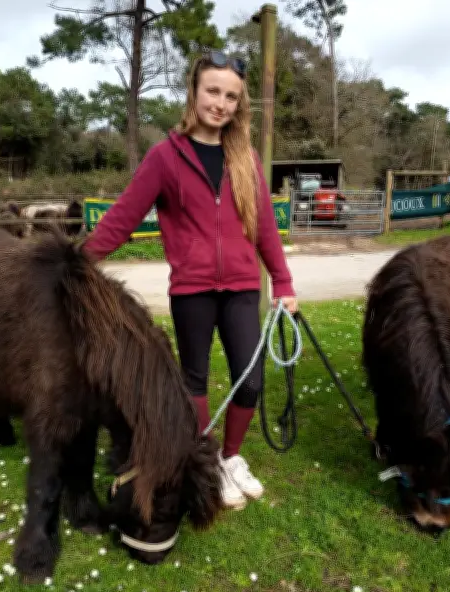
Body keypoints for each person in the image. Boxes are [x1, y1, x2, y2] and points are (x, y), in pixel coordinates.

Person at [80, 49, 298, 511]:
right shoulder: (165, 157)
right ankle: (209, 461)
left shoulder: (246, 159)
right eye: (213, 91)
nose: (220, 103)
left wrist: (282, 282)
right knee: (193, 381)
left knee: (250, 379)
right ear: (195, 92)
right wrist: (78, 262)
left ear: (239, 105)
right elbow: (122, 217)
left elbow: (264, 227)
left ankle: (233, 458)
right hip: (192, 292)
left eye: (231, 97)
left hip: (241, 287)